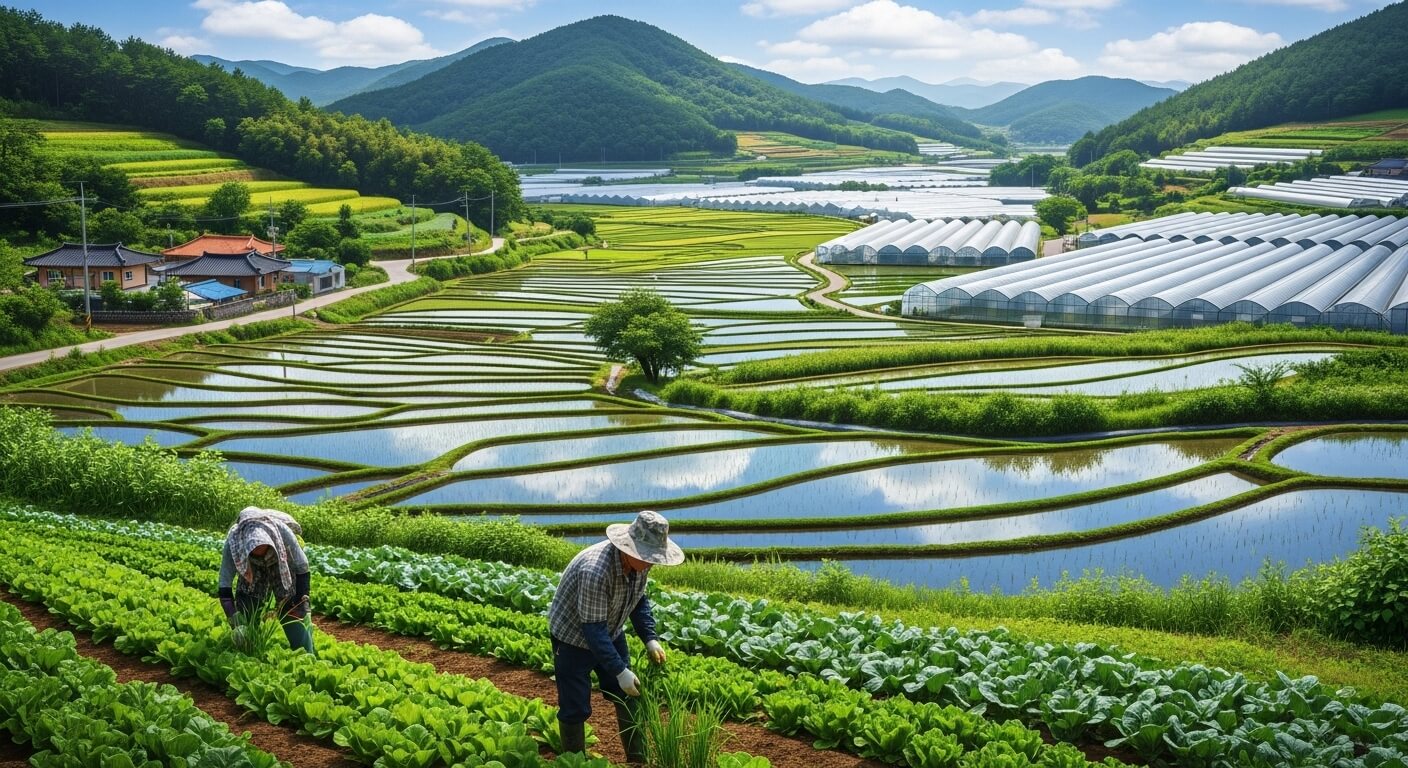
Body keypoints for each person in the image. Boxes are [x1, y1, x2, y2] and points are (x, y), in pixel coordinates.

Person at [547, 510, 685, 762]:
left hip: (609, 630)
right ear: (630, 548)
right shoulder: (596, 570)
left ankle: (637, 761)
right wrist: (619, 671)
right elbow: (592, 630)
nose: (652, 562)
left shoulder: (640, 563)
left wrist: (649, 638)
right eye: (648, 557)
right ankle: (574, 761)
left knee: (630, 693)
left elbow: (638, 600)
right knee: (575, 707)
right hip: (573, 639)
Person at [217, 506, 315, 654]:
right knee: (248, 606)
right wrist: (234, 617)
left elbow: (302, 567)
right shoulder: (234, 543)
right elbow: (224, 584)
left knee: (291, 608)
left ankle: (305, 652)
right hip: (250, 566)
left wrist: (302, 598)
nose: (262, 556)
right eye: (257, 552)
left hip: (281, 559)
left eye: (263, 550)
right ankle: (249, 650)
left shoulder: (282, 532)